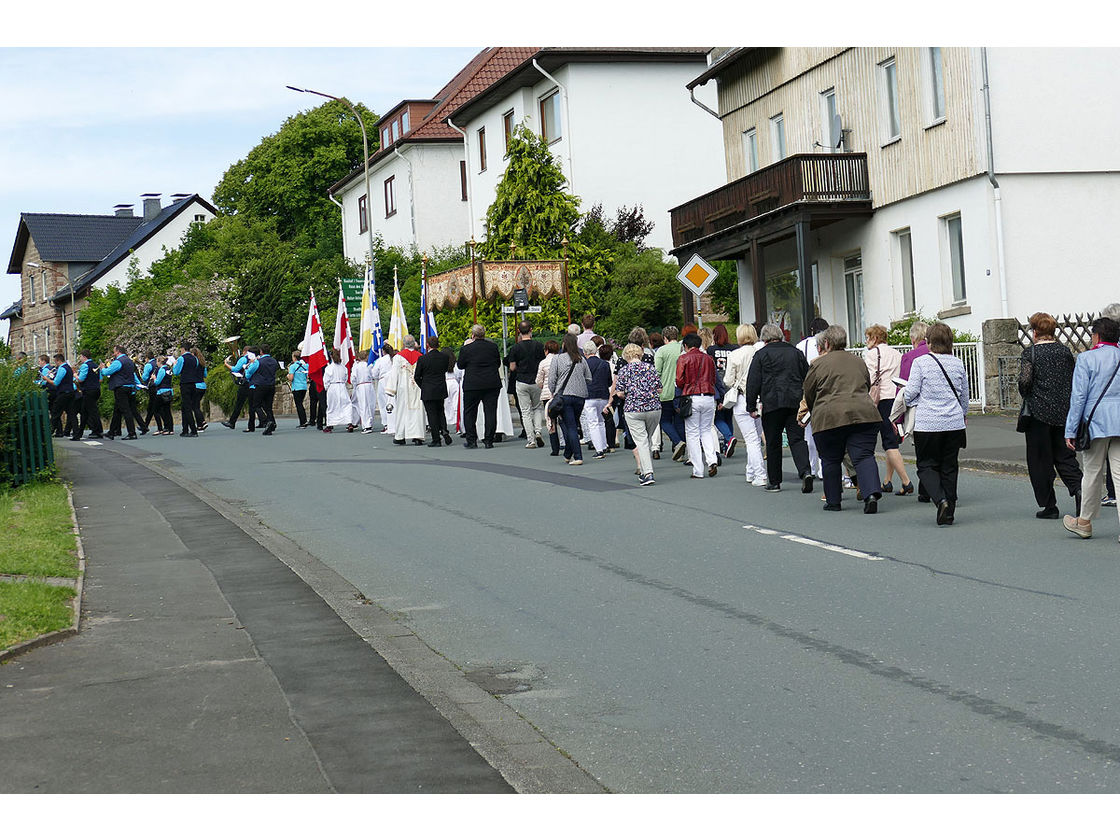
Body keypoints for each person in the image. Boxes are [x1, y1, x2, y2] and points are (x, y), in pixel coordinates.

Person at [802, 325, 884, 513]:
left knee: (830, 458)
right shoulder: (858, 361)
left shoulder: (817, 364)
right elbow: (866, 383)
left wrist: (815, 409)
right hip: (863, 414)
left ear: (827, 343)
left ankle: (833, 500)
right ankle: (870, 494)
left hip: (829, 416)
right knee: (864, 455)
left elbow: (809, 392)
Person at [1017, 311, 1082, 519]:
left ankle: (1049, 506)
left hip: (1038, 414)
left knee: (1039, 461)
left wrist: (1027, 394)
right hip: (1064, 412)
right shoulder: (1064, 352)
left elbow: (1025, 382)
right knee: (1065, 457)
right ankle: (1079, 491)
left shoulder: (1031, 353)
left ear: (1035, 332)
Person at [903, 323, 969, 526]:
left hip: (928, 424)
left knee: (926, 466)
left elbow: (911, 392)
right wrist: (961, 415)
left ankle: (941, 501)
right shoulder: (958, 363)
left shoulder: (921, 363)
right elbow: (964, 396)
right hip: (954, 423)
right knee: (949, 467)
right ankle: (949, 510)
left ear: (929, 342)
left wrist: (909, 401)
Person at [1062, 316, 1120, 540]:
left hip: (1096, 422)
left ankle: (1084, 521)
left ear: (1096, 336)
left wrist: (1070, 430)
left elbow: (1078, 397)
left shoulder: (1086, 359)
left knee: (1092, 472)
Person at [744, 324, 812, 492]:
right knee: (797, 439)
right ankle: (805, 471)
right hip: (794, 402)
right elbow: (808, 376)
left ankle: (774, 482)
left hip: (772, 402)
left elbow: (753, 382)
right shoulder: (796, 353)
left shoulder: (761, 355)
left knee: (773, 442)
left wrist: (751, 406)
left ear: (764, 339)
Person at [864, 325, 914, 496]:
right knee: (891, 439)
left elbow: (869, 379)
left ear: (875, 338)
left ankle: (906, 481)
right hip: (896, 398)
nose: (866, 341)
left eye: (868, 337)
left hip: (881, 399)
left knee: (889, 443)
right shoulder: (896, 353)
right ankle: (887, 480)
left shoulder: (872, 354)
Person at [613, 342, 663, 486]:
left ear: (626, 356)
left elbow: (620, 392)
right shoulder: (650, 368)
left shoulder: (624, 370)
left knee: (641, 441)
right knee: (646, 440)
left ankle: (647, 473)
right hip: (654, 408)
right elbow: (659, 389)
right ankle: (645, 471)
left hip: (634, 409)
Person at [723, 324, 767, 486]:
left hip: (742, 398)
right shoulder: (760, 353)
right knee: (756, 434)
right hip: (760, 399)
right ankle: (751, 471)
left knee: (751, 439)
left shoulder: (734, 355)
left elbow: (728, 380)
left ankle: (760, 474)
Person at [676, 332, 720, 479]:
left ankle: (698, 470)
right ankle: (712, 460)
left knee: (693, 433)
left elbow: (679, 381)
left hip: (691, 397)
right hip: (708, 396)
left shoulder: (683, 358)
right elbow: (713, 379)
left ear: (686, 346)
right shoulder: (709, 359)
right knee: (706, 430)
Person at [548, 332, 592, 465]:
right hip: (580, 397)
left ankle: (578, 456)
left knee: (570, 426)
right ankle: (568, 454)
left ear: (564, 344)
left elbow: (551, 380)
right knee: (573, 423)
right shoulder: (581, 359)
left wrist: (554, 392)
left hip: (564, 396)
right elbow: (589, 379)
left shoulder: (557, 359)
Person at [457, 324, 503, 449]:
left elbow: (460, 365)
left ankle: (472, 440)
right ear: (484, 334)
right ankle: (489, 440)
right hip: (491, 383)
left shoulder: (466, 349)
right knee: (490, 412)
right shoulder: (493, 347)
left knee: (470, 413)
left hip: (473, 384)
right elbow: (498, 363)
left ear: (473, 335)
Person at [796, 317, 829, 479]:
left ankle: (812, 467)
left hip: (809, 389)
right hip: (827, 390)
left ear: (811, 330)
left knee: (809, 432)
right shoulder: (830, 342)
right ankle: (824, 468)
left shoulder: (802, 345)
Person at [507, 320, 546, 448]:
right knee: (537, 408)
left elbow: (512, 367)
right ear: (531, 330)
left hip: (521, 380)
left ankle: (531, 439)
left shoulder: (515, 348)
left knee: (525, 411)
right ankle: (538, 431)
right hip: (535, 380)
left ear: (518, 331)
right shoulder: (539, 346)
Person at [707, 324, 739, 458]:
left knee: (718, 418)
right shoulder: (734, 348)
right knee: (728, 416)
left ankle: (728, 437)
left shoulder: (711, 350)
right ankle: (728, 442)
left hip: (718, 385)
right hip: (731, 386)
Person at [655, 325, 687, 461]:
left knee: (665, 421)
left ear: (665, 338)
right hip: (682, 391)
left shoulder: (661, 351)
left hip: (666, 391)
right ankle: (684, 450)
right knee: (679, 422)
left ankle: (677, 442)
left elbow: (657, 372)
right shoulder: (682, 349)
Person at [414, 336, 453, 447]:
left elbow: (417, 376)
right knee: (441, 411)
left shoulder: (423, 359)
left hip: (428, 388)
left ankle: (436, 439)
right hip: (440, 387)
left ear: (428, 345)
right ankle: (444, 429)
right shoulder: (444, 357)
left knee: (431, 414)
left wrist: (423, 386)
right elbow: (445, 369)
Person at [387, 336, 425, 445]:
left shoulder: (398, 357)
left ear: (404, 344)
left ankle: (400, 436)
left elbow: (394, 373)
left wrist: (391, 389)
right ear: (414, 344)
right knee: (418, 412)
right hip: (418, 386)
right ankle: (418, 436)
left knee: (402, 411)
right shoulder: (420, 356)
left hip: (403, 388)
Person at [583, 341, 614, 459]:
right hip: (603, 395)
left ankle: (599, 449)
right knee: (601, 421)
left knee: (592, 423)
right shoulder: (604, 364)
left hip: (589, 395)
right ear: (595, 351)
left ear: (585, 352)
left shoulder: (583, 364)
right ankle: (604, 444)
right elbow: (609, 382)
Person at [100, 345, 138, 440]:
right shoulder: (129, 361)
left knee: (126, 411)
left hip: (121, 388)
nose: (113, 354)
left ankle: (132, 433)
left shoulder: (118, 362)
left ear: (118, 352)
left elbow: (107, 372)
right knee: (117, 411)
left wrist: (102, 368)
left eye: (114, 352)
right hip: (129, 386)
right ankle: (111, 432)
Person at [244, 343, 279, 436]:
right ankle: (272, 423)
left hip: (260, 385)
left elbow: (248, 374)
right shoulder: (274, 361)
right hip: (271, 385)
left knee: (256, 405)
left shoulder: (257, 362)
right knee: (268, 406)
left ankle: (266, 420)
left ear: (261, 351)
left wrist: (247, 368)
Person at [173, 342, 205, 437]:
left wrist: (175, 364)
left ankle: (193, 430)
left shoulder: (181, 358)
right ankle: (185, 429)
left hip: (185, 384)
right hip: (193, 384)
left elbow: (176, 372)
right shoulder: (195, 358)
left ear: (183, 349)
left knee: (187, 408)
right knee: (186, 407)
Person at [537, 339, 562, 456]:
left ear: (546, 350)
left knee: (550, 421)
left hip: (547, 395)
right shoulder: (562, 360)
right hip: (560, 393)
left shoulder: (543, 363)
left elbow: (539, 381)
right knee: (563, 419)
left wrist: (543, 386)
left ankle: (555, 448)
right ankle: (565, 442)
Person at [71, 350, 103, 441]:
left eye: (80, 357)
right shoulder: (96, 365)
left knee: (91, 411)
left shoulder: (85, 366)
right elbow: (100, 379)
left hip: (88, 390)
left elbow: (81, 379)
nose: (80, 359)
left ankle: (97, 431)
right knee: (86, 411)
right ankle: (79, 434)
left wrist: (75, 374)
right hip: (96, 389)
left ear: (84, 357)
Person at [221, 346, 256, 430]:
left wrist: (226, 364)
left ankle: (232, 422)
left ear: (244, 351)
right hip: (253, 382)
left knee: (239, 403)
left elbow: (235, 369)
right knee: (254, 404)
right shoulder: (255, 359)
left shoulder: (243, 359)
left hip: (244, 382)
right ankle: (263, 420)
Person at [322, 349, 354, 433]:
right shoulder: (343, 367)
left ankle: (330, 425)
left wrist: (327, 388)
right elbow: (346, 378)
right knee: (346, 404)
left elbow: (326, 380)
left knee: (332, 406)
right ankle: (349, 422)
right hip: (342, 386)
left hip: (333, 387)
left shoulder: (329, 368)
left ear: (331, 356)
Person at [49, 353, 77, 438]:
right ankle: (76, 433)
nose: (55, 364)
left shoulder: (62, 368)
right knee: (71, 413)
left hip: (64, 393)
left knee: (55, 411)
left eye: (55, 361)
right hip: (71, 392)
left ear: (58, 360)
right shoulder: (68, 367)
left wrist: (46, 379)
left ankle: (50, 430)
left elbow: (56, 383)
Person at [371, 344, 397, 435]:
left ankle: (387, 424)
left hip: (383, 381)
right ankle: (395, 423)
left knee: (384, 404)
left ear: (383, 351)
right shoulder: (395, 359)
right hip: (393, 380)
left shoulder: (380, 360)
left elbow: (374, 373)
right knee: (393, 402)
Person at [351, 349, 377, 433]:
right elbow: (373, 375)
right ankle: (370, 423)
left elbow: (353, 378)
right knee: (370, 405)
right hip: (369, 385)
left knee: (363, 405)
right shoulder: (369, 365)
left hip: (361, 386)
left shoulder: (356, 366)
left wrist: (355, 386)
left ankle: (366, 425)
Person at [151, 356, 175, 435]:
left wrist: (154, 378)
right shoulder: (168, 369)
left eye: (157, 362)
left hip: (162, 392)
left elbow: (157, 382)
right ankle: (170, 428)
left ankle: (161, 428)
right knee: (167, 410)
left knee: (156, 410)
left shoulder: (162, 370)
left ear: (159, 362)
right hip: (169, 391)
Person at [288, 350, 309, 428]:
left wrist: (288, 376)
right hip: (304, 386)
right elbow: (307, 376)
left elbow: (291, 378)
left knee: (298, 404)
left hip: (296, 387)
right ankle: (304, 420)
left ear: (294, 357)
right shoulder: (306, 365)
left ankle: (303, 421)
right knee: (301, 403)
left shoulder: (292, 366)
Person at [191, 347, 209, 432]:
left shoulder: (194, 363)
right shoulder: (202, 363)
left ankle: (202, 421)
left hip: (196, 385)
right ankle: (199, 426)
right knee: (197, 405)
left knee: (195, 406)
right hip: (203, 386)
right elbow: (205, 375)